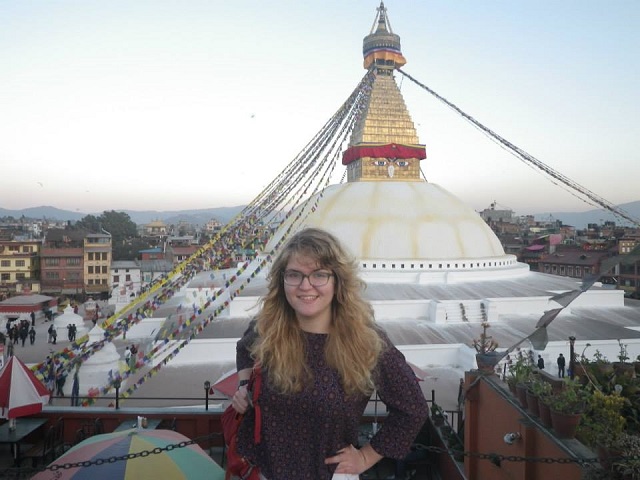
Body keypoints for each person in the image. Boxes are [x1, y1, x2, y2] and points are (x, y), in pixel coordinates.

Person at [231, 228, 429, 480]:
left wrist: (366, 456)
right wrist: (244, 385)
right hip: (261, 471)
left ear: (338, 281)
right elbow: (244, 350)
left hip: (328, 474)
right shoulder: (268, 327)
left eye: (319, 275)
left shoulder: (365, 341)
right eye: (294, 275)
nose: (305, 285)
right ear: (282, 280)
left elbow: (413, 409)